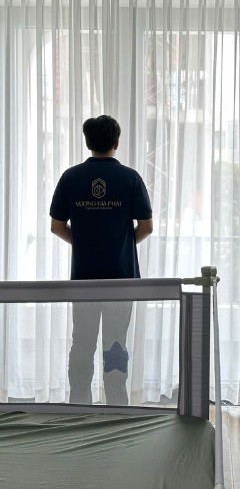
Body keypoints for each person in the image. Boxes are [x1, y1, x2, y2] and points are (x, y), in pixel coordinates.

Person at [50, 115, 153, 405]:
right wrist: (119, 244)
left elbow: (57, 227)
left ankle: (79, 405)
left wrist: (85, 243)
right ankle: (117, 405)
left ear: (88, 142)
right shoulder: (131, 178)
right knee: (116, 343)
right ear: (116, 142)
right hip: (122, 278)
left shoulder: (70, 178)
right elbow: (146, 227)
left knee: (82, 342)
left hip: (84, 277)